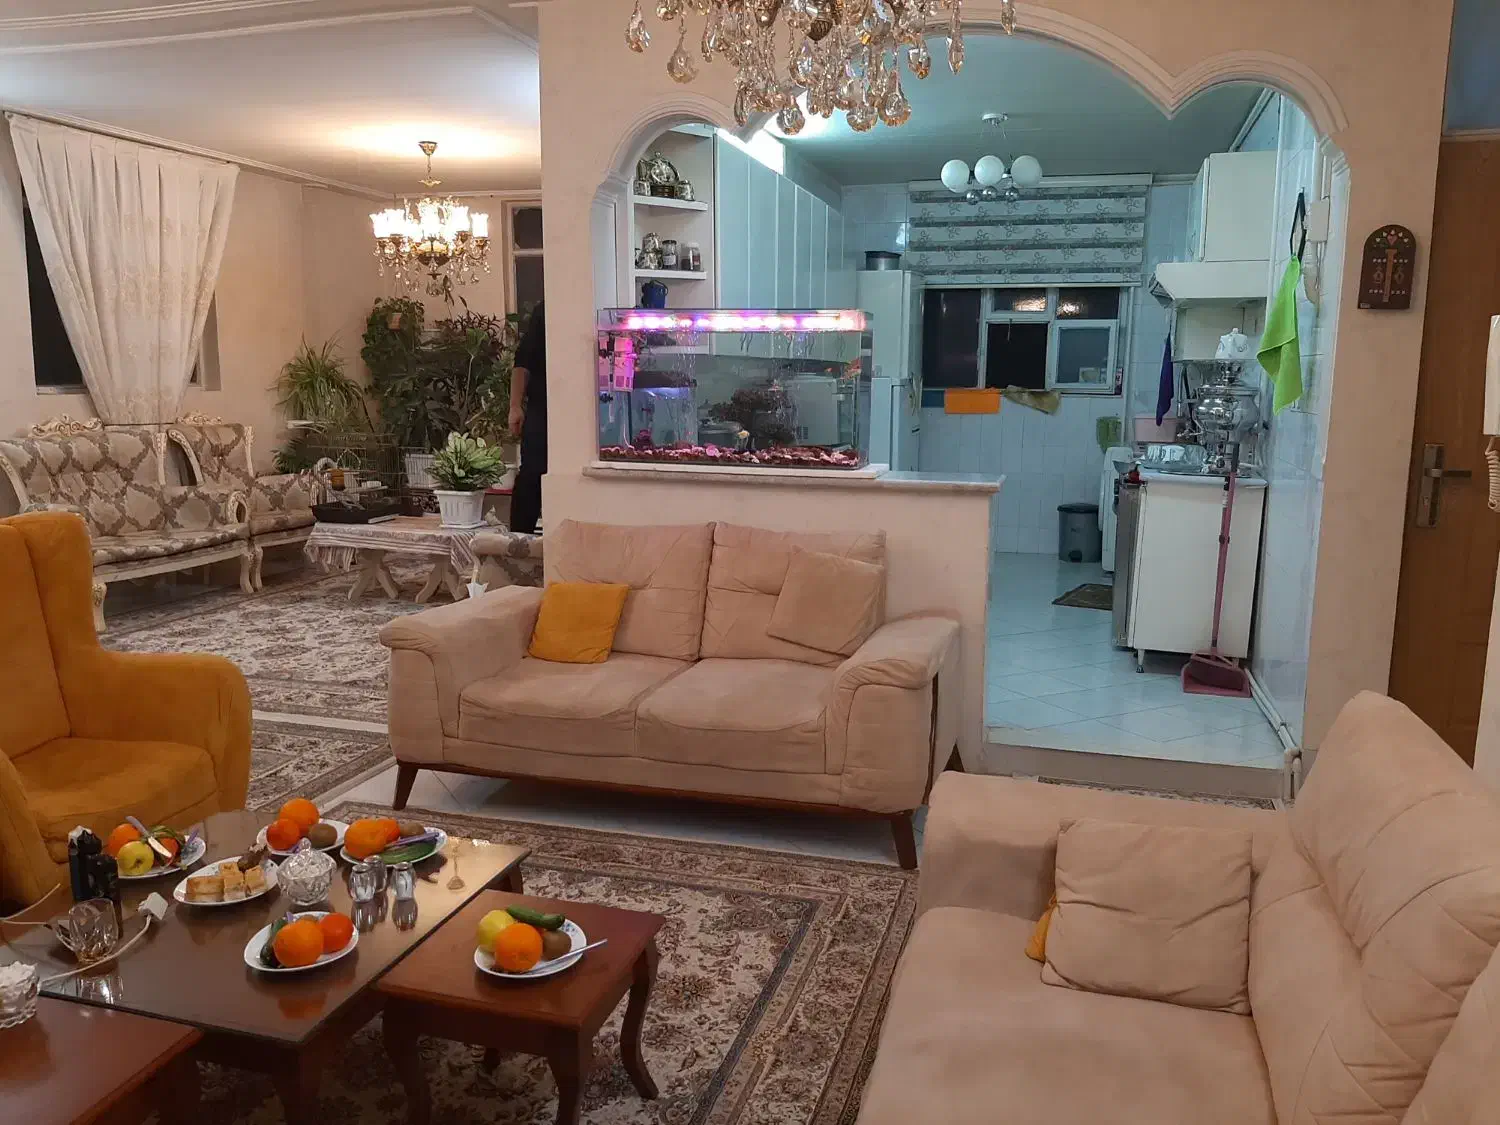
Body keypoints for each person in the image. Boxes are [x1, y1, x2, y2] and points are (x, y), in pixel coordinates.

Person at [508, 301, 546, 534]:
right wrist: (515, 406)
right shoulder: (545, 309)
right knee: (532, 474)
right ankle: (518, 540)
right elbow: (522, 362)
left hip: (581, 411)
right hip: (542, 407)